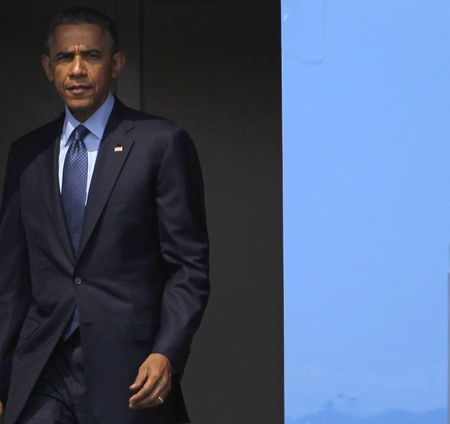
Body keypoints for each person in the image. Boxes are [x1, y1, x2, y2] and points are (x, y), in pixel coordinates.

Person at [0, 6, 210, 424]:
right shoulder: (27, 154)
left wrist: (166, 351)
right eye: (65, 57)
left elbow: (188, 269)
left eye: (91, 56)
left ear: (116, 64)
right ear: (48, 67)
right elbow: (12, 279)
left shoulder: (160, 143)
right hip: (42, 366)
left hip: (128, 370)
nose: (77, 69)